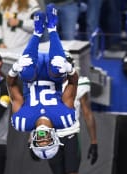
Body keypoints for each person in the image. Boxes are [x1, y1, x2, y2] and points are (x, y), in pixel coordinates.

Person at [6, 3, 78, 159]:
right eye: (47, 140)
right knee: (58, 69)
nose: (43, 137)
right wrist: (69, 69)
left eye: (40, 141)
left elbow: (11, 85)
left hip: (33, 68)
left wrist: (14, 69)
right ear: (55, 138)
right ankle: (52, 28)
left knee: (25, 73)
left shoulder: (22, 122)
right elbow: (73, 83)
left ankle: (37, 32)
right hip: (54, 69)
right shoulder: (65, 119)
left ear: (32, 140)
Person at [43, 54, 99, 174]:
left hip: (70, 135)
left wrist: (94, 141)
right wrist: (32, 139)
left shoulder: (79, 83)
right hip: (52, 138)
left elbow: (87, 112)